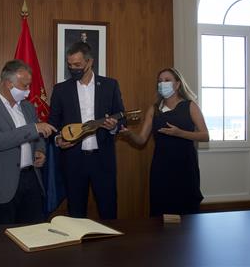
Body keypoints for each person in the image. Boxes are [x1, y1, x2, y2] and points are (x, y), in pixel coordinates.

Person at [48, 42, 125, 219]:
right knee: (75, 212)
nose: (73, 68)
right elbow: (53, 123)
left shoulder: (110, 85)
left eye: (77, 65)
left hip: (103, 159)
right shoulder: (61, 89)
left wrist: (114, 126)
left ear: (89, 62)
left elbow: (122, 116)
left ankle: (112, 246)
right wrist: (58, 139)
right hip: (74, 161)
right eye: (70, 65)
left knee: (108, 209)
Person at [0, 60, 56, 225]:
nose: (27, 91)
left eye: (29, 86)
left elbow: (38, 137)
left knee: (35, 233)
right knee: (3, 242)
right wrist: (34, 128)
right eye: (24, 86)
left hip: (31, 179)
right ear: (7, 83)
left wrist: (40, 151)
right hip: (2, 183)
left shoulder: (28, 107)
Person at [122, 68, 209, 216]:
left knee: (186, 211)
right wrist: (129, 134)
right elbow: (142, 139)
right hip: (161, 167)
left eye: (167, 80)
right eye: (160, 81)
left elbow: (205, 135)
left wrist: (180, 133)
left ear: (177, 84)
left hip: (185, 166)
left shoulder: (190, 106)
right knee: (161, 210)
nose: (163, 84)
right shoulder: (154, 109)